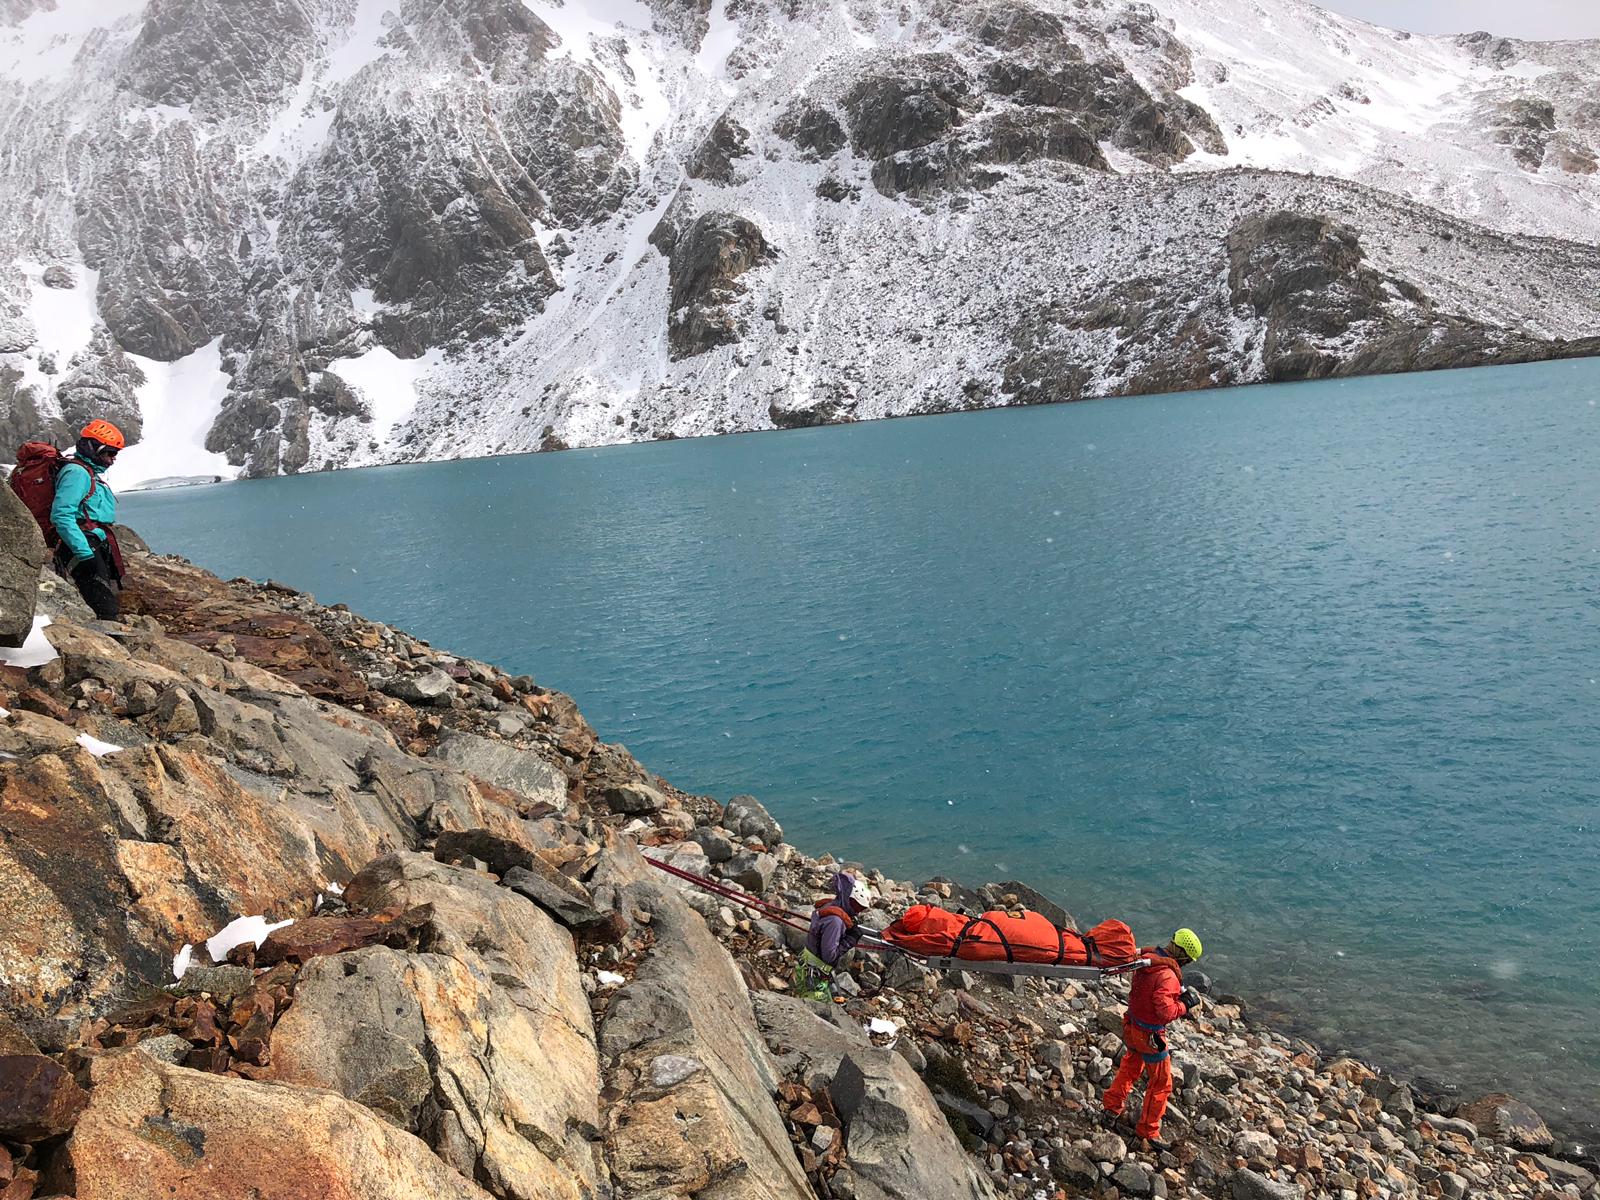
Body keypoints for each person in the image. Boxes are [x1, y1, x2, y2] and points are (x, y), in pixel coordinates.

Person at [1100, 927, 1204, 1149]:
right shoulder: (1167, 975)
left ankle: (1111, 1109)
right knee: (1160, 1083)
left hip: (1132, 1026)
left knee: (1129, 1068)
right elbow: (1165, 1012)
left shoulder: (1147, 961)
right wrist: (1185, 1004)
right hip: (1150, 1036)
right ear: (1183, 956)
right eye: (1188, 960)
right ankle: (1148, 1132)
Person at [51, 420, 126, 620]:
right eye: (110, 453)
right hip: (82, 544)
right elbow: (61, 514)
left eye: (115, 454)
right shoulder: (77, 473)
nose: (112, 459)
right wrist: (84, 553)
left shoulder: (87, 472)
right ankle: (105, 647)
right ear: (94, 448)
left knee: (103, 600)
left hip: (91, 540)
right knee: (104, 607)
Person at [794, 871, 873, 1002]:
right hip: (814, 975)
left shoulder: (832, 905)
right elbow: (829, 956)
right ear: (850, 900)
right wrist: (850, 940)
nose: (858, 912)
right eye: (858, 907)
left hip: (810, 966)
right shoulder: (835, 921)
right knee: (821, 1008)